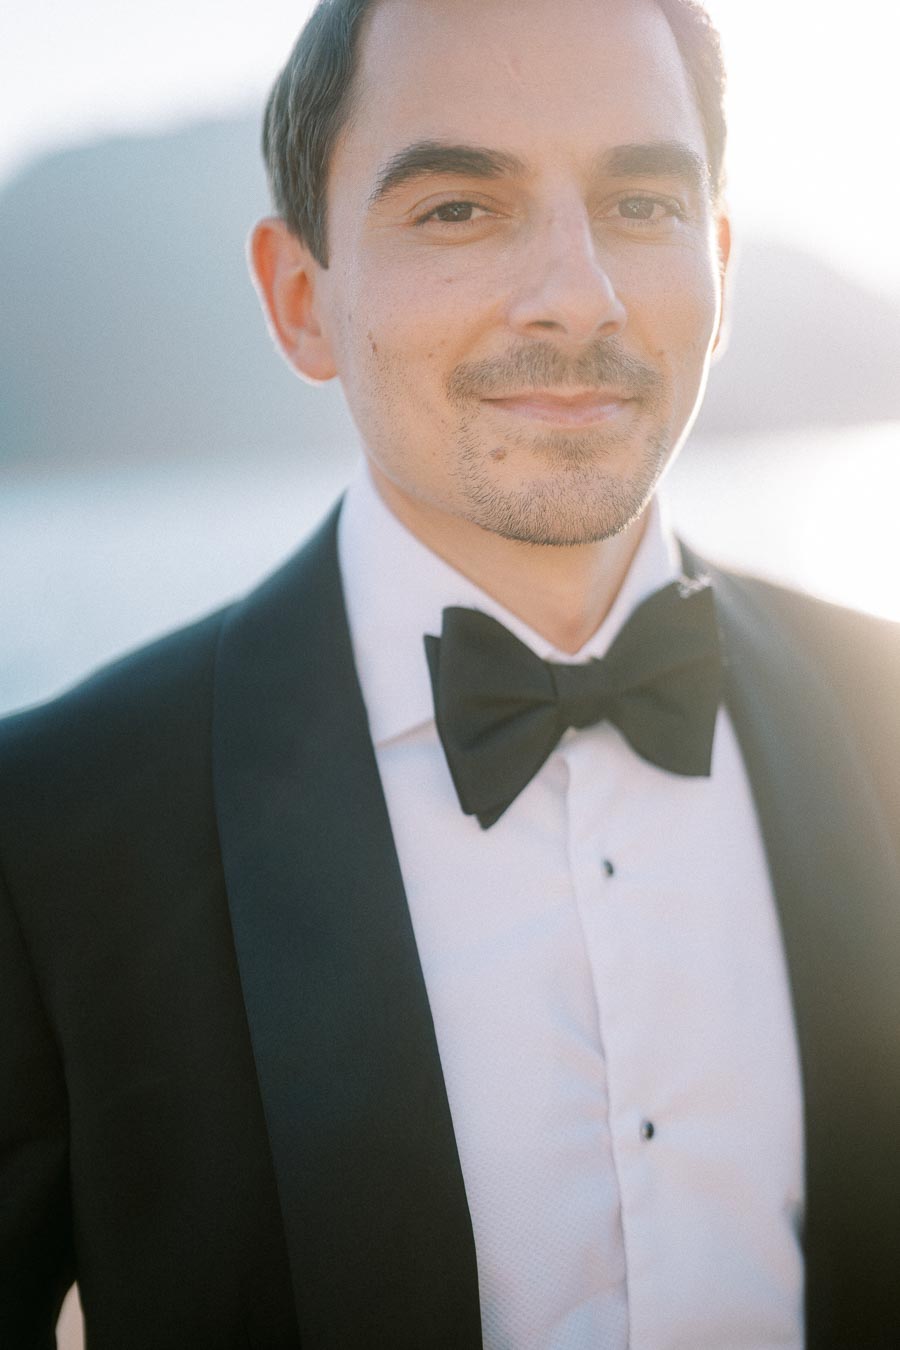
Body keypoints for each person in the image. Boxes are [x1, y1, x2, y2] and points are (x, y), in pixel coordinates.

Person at [1, 0, 899, 1346]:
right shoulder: (49, 831)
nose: (577, 295)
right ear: (300, 300)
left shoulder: (887, 714)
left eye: (640, 205)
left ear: (718, 264)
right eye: (459, 210)